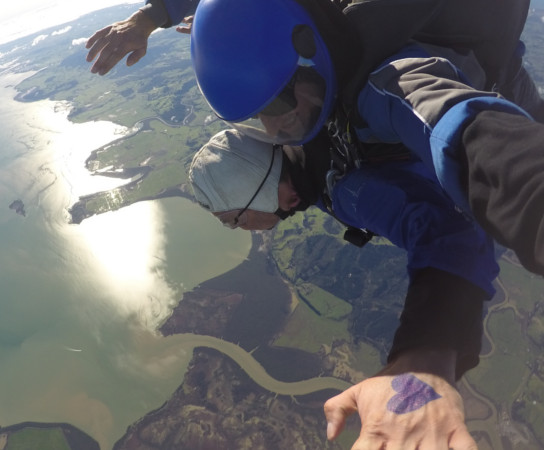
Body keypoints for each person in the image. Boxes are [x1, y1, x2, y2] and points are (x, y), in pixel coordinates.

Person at [85, 0, 544, 277]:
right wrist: (153, 17)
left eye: (234, 219)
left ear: (275, 194)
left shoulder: (350, 160)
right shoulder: (324, 139)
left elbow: (444, 122)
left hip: (490, 72)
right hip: (489, 62)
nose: (273, 128)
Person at [189, 128, 498, 448]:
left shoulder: (348, 190)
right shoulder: (316, 144)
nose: (240, 228)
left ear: (275, 195)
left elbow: (451, 235)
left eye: (234, 219)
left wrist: (422, 366)